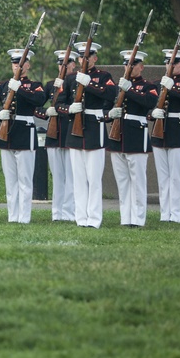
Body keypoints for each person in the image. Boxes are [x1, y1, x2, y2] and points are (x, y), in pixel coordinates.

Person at [57, 42, 116, 228]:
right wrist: (68, 109)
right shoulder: (70, 78)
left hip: (94, 129)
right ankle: (81, 218)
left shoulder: (104, 76)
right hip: (75, 128)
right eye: (81, 57)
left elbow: (110, 94)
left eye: (87, 56)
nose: (84, 59)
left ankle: (94, 218)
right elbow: (58, 104)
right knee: (79, 179)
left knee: (94, 178)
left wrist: (88, 84)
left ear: (94, 58)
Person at [106, 50, 157, 227]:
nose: (129, 67)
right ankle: (125, 218)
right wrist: (109, 114)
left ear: (141, 67)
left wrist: (130, 89)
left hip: (136, 135)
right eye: (127, 64)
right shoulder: (117, 86)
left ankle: (138, 219)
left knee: (138, 181)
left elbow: (150, 103)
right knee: (122, 181)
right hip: (117, 135)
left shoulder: (147, 86)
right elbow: (106, 108)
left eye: (133, 64)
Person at [0, 48, 47, 224]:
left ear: (28, 65)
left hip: (25, 132)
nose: (18, 66)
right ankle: (12, 216)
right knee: (10, 181)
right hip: (7, 132)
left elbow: (40, 100)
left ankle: (24, 217)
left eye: (21, 63)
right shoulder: (4, 85)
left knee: (24, 180)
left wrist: (20, 90)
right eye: (15, 63)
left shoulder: (34, 85)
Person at [150, 49, 180, 223]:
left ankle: (176, 214)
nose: (169, 66)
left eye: (174, 63)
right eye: (168, 62)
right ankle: (165, 214)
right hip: (159, 131)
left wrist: (172, 88)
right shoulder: (157, 83)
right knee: (163, 177)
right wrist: (152, 113)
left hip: (179, 131)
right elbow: (149, 105)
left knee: (176, 176)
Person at [40, 50, 77, 221]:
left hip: (70, 132)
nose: (63, 66)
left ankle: (70, 213)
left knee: (71, 177)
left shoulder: (77, 84)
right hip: (54, 135)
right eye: (61, 63)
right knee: (57, 177)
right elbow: (34, 105)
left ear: (73, 64)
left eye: (67, 62)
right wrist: (46, 112)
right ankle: (57, 213)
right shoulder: (50, 85)